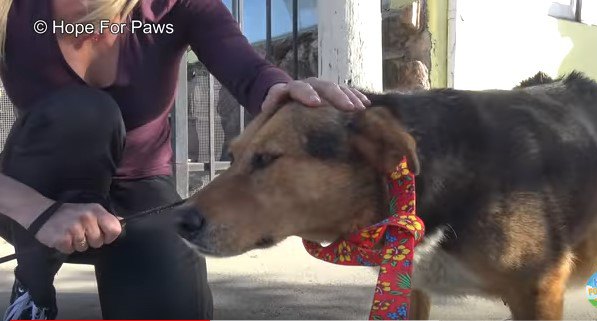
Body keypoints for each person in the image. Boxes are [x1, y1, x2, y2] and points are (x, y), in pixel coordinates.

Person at [0, 0, 370, 319]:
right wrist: (38, 211)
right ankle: (33, 288)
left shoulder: (176, 6)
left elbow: (250, 72)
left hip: (137, 199)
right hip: (31, 197)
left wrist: (283, 95)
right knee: (85, 112)